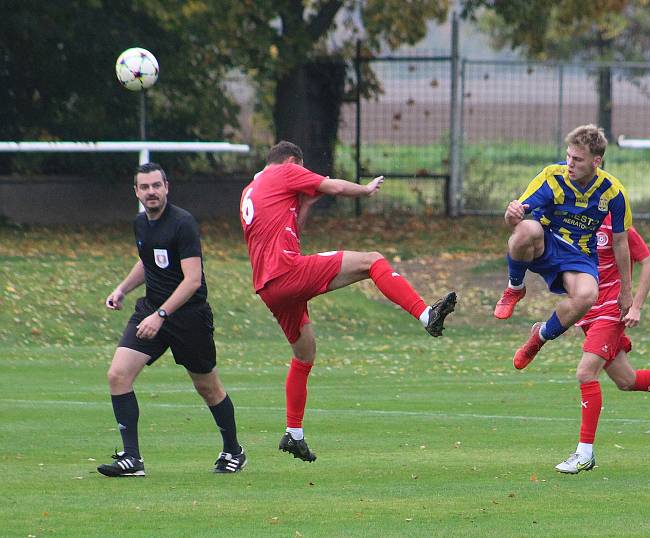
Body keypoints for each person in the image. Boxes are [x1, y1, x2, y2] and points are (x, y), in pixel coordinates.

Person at [240, 141, 457, 462]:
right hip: (286, 271)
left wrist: (306, 205)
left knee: (305, 351)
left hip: (268, 287)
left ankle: (293, 434)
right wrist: (365, 190)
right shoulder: (286, 171)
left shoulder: (250, 190)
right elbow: (334, 186)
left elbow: (286, 232)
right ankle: (427, 315)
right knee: (372, 261)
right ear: (290, 162)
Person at [515, 215, 650, 473]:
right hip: (587, 313)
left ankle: (584, 453)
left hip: (612, 312)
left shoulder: (616, 223)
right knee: (627, 380)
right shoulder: (570, 219)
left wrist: (636, 306)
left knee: (586, 373)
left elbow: (649, 264)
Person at [97, 163, 245, 477]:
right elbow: (146, 260)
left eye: (156, 186)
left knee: (208, 387)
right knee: (117, 375)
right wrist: (122, 289)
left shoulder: (183, 223)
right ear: (136, 192)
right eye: (145, 187)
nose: (151, 192)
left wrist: (161, 315)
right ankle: (132, 459)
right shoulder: (140, 223)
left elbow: (192, 280)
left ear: (167, 187)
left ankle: (233, 450)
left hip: (187, 316)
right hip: (151, 310)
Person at [494, 124, 633, 368]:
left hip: (579, 254)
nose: (570, 163)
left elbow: (621, 242)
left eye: (578, 159)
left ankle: (540, 337)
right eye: (569, 156)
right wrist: (511, 213)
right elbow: (515, 220)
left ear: (596, 161)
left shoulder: (613, 192)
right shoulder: (552, 176)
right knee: (526, 229)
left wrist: (627, 290)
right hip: (545, 242)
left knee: (588, 296)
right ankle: (515, 288)